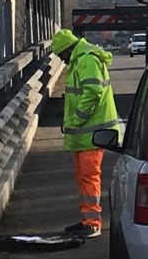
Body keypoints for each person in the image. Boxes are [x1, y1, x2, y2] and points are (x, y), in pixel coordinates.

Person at [51, 26, 120, 238]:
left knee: (89, 176)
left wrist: (76, 119)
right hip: (86, 134)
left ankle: (93, 223)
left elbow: (93, 93)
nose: (62, 60)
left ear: (68, 49)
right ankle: (87, 220)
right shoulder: (80, 59)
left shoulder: (87, 59)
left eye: (62, 55)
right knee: (83, 177)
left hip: (92, 132)